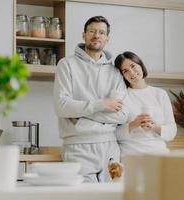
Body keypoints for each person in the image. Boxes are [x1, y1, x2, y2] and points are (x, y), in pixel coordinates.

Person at [53, 16, 128, 182]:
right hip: (77, 147)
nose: (97, 35)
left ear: (107, 39)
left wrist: (80, 112)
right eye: (92, 31)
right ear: (84, 35)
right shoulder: (66, 64)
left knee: (112, 196)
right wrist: (102, 104)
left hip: (110, 146)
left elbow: (122, 114)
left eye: (101, 32)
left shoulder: (115, 72)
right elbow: (61, 106)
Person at [114, 51, 177, 157]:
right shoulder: (121, 96)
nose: (131, 72)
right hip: (130, 156)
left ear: (141, 65)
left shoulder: (160, 94)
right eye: (125, 71)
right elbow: (113, 134)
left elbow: (172, 131)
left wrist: (154, 127)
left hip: (159, 155)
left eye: (133, 66)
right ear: (123, 76)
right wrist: (133, 124)